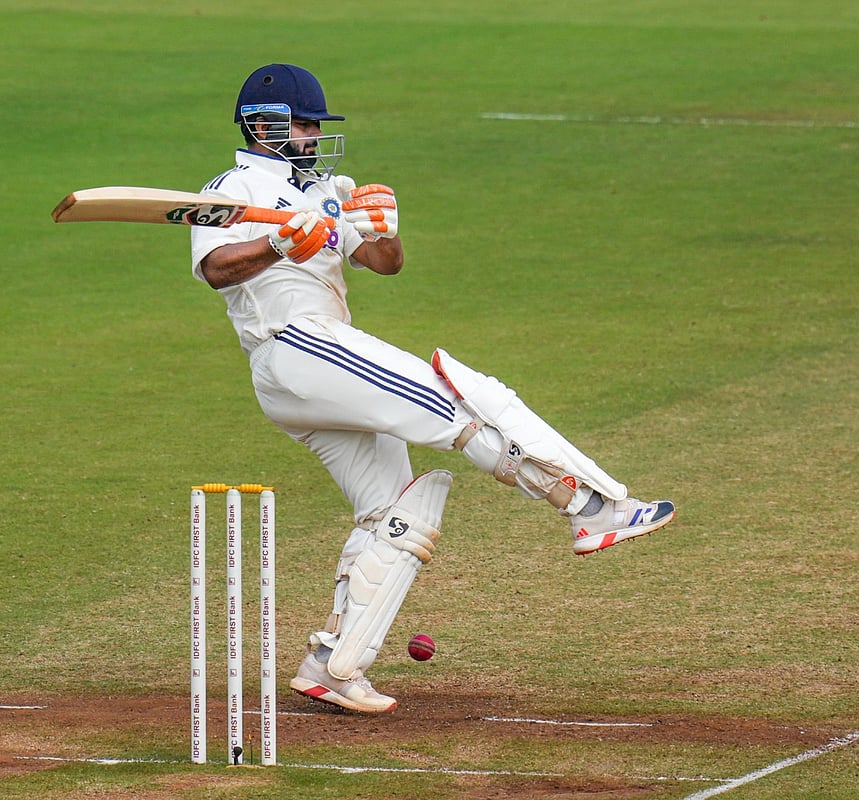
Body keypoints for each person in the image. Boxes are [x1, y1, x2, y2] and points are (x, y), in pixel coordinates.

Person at [190, 64, 675, 714]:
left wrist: (384, 230)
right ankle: (588, 508)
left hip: (323, 359)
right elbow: (216, 269)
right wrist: (278, 243)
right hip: (294, 345)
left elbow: (383, 264)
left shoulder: (325, 188)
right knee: (459, 401)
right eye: (304, 125)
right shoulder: (232, 188)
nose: (313, 136)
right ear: (263, 124)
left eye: (315, 125)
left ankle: (333, 664)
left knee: (399, 510)